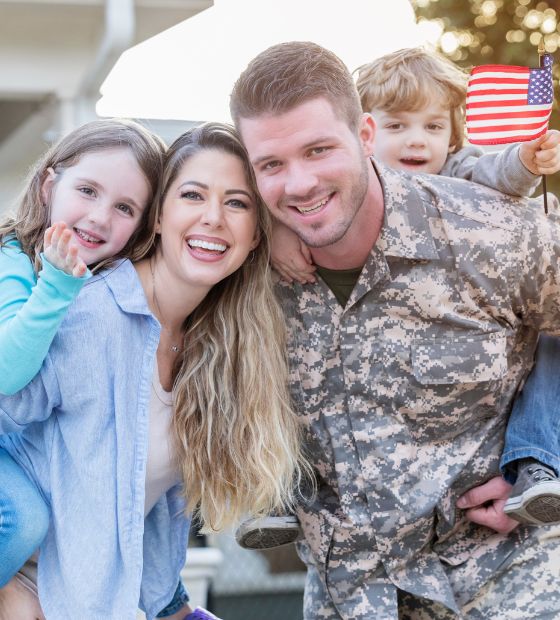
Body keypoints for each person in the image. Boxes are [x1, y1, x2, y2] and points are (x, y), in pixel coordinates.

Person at [229, 41, 560, 618]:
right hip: (349, 597)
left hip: (506, 585)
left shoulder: (488, 231)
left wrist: (549, 460)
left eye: (319, 149)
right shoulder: (239, 266)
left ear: (363, 135)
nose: (300, 183)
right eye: (272, 165)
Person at [0, 122, 308, 619]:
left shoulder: (217, 343)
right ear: (159, 218)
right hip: (40, 592)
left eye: (237, 203)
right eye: (192, 195)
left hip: (125, 599)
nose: (213, 218)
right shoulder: (89, 317)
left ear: (256, 236)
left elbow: (133, 506)